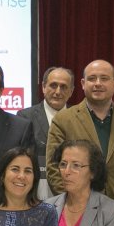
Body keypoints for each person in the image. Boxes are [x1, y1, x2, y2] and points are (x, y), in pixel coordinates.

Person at [46, 59, 114, 209]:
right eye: (92, 78)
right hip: (78, 213)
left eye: (104, 78)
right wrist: (81, 205)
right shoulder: (63, 120)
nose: (98, 83)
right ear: (82, 83)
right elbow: (54, 169)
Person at [16, 66, 74, 199]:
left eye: (64, 87)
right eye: (53, 85)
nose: (58, 92)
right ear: (43, 87)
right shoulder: (25, 117)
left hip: (71, 193)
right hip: (36, 193)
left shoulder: (80, 117)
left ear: (71, 91)